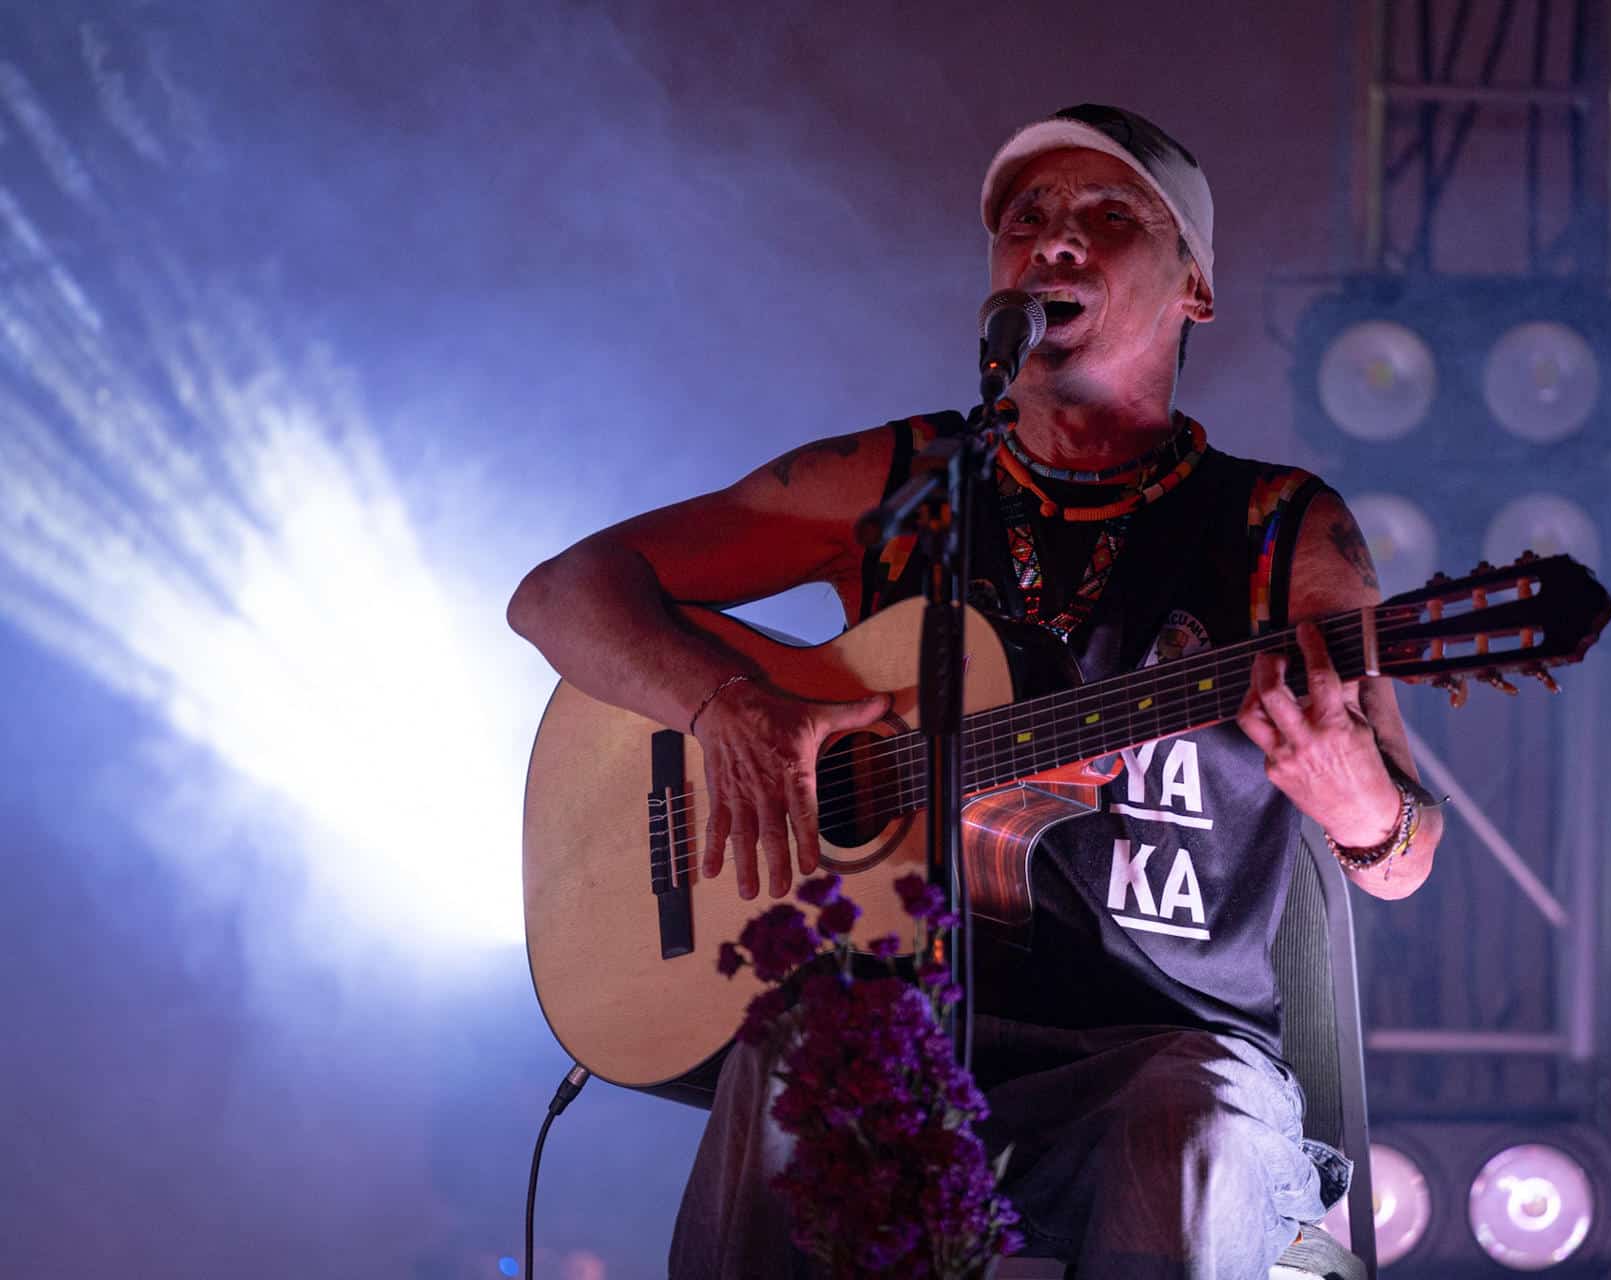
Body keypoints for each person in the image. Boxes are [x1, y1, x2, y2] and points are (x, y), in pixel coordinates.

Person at [508, 103, 1444, 1279]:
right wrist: (729, 708)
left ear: (1194, 287)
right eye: (1025, 219)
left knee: (1192, 1116)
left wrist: (1354, 797)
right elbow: (561, 593)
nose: (1054, 241)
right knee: (796, 1051)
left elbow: (1404, 849)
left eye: (1108, 217)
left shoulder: (1276, 525)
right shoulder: (903, 481)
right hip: (916, 1033)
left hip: (1166, 1047)